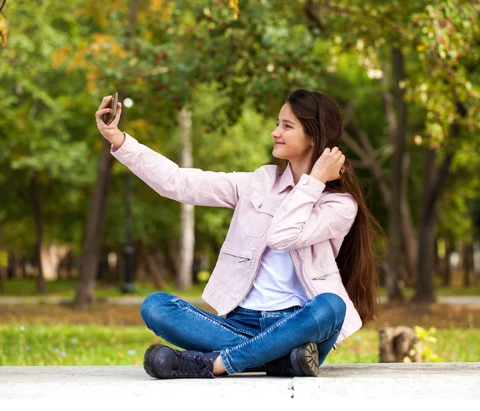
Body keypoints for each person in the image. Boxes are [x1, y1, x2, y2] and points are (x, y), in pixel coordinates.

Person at [95, 89, 382, 379]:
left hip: (298, 324)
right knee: (156, 306)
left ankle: (215, 364)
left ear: (313, 136)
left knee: (332, 306)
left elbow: (282, 235)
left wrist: (314, 181)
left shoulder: (340, 204)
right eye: (277, 123)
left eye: (287, 126)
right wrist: (119, 139)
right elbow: (179, 182)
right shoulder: (259, 183)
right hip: (240, 324)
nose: (275, 132)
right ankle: (276, 360)